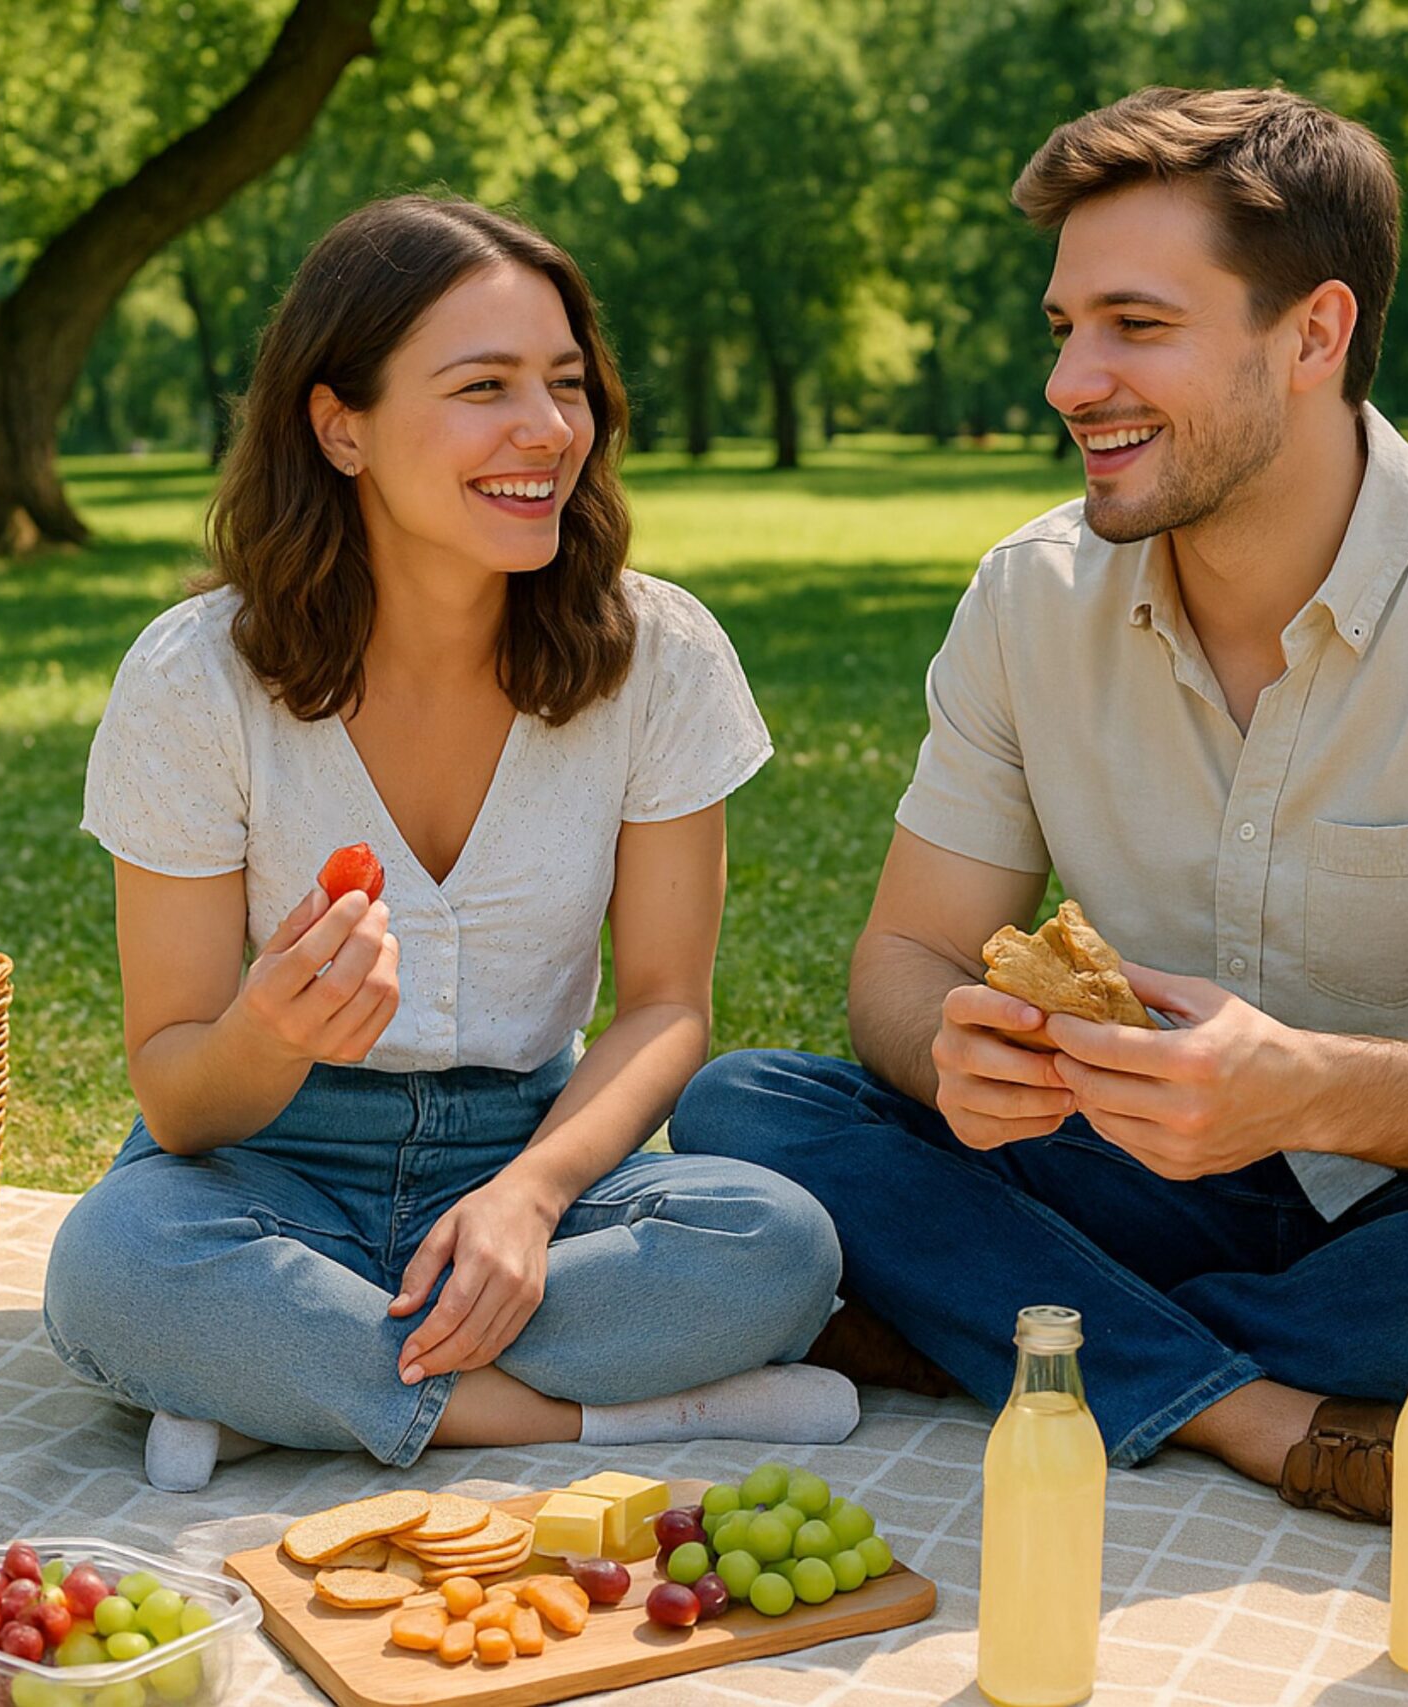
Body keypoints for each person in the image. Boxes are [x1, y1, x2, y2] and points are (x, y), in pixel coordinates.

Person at [673, 87, 1408, 1573]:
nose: (1071, 378)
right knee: (752, 1108)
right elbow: (906, 959)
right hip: (1127, 1176)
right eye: (1064, 327)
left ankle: (1014, 1335)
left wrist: (1302, 1089)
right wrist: (957, 1052)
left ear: (1313, 335)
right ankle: (1262, 1412)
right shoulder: (1027, 598)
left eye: (1134, 324)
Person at [43, 194, 853, 1493]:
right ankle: (607, 1421)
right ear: (340, 425)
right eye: (485, 387)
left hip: (533, 1145)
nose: (548, 430)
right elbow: (179, 1095)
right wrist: (271, 1033)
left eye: (567, 384)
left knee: (777, 1243)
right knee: (117, 1271)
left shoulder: (661, 658)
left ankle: (291, 1395)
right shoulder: (195, 681)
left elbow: (662, 1011)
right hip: (267, 1167)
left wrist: (530, 1201)